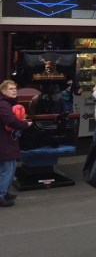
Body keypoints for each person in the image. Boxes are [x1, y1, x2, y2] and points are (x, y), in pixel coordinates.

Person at [1, 80, 32, 208]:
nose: (14, 90)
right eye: (10, 89)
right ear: (3, 91)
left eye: (15, 88)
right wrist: (25, 124)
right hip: (4, 143)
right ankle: (1, 196)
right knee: (6, 170)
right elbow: (11, 121)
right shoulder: (3, 104)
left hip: (8, 142)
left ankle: (5, 192)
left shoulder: (8, 103)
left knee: (11, 168)